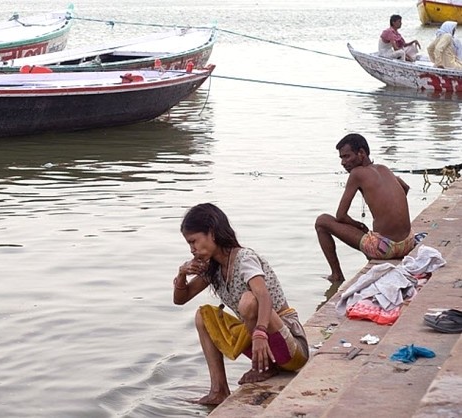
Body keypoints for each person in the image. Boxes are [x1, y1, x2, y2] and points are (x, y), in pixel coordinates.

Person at [173, 203, 309, 406]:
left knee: (249, 300)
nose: (192, 250)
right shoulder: (214, 268)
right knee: (203, 316)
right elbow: (180, 299)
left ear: (211, 233)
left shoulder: (244, 258)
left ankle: (265, 367)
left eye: (194, 242)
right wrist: (182, 273)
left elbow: (263, 297)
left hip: (291, 347)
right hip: (262, 346)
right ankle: (218, 389)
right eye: (189, 244)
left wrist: (261, 332)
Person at [315, 133, 414, 283]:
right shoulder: (384, 168)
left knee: (322, 221)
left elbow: (340, 216)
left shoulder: (357, 173)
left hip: (387, 248)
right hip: (408, 243)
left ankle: (336, 275)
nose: (343, 162)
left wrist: (359, 225)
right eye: (341, 158)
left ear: (361, 153)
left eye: (347, 156)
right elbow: (405, 188)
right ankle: (373, 251)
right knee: (368, 233)